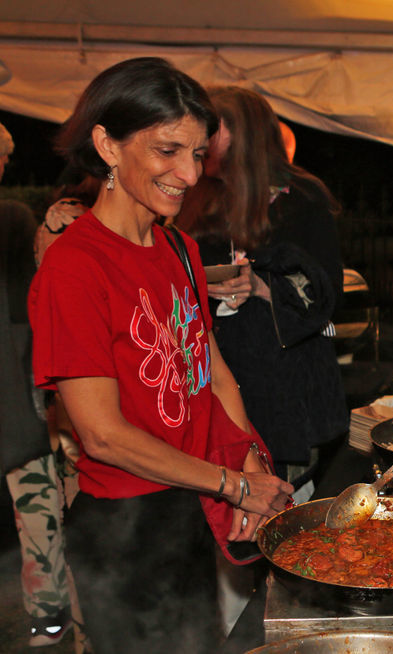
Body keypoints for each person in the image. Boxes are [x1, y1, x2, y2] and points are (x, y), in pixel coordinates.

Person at [28, 58, 293, 654]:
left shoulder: (179, 247)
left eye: (198, 154)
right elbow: (102, 436)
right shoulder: (75, 266)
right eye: (168, 150)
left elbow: (215, 374)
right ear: (107, 145)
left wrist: (249, 462)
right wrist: (232, 485)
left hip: (192, 504)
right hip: (128, 527)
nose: (188, 173)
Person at [178, 86, 348, 493]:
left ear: (244, 133)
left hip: (284, 387)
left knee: (282, 510)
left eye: (211, 129)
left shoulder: (301, 197)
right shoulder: (198, 192)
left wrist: (259, 286)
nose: (199, 139)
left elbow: (325, 293)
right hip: (217, 376)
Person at [0, 121, 75, 649]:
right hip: (14, 400)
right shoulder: (10, 219)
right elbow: (34, 304)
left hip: (15, 398)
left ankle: (48, 620)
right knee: (37, 508)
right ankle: (49, 623)